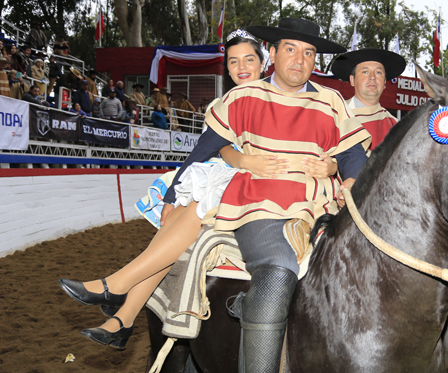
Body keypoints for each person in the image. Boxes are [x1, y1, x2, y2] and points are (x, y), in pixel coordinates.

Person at [58, 22, 368, 373]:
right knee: (278, 269)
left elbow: (353, 152)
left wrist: (350, 178)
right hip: (259, 204)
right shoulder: (243, 97)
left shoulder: (331, 101)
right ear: (275, 52)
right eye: (291, 49)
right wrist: (172, 195)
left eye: (309, 53)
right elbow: (203, 149)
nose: (300, 59)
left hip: (315, 207)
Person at [330, 48, 405, 153]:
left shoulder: (396, 127)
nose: (372, 77)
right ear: (352, 80)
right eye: (365, 72)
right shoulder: (334, 115)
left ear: (384, 83)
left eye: (378, 72)